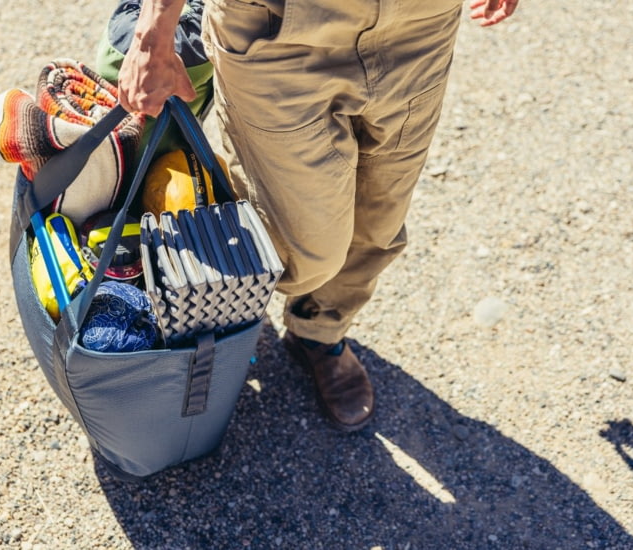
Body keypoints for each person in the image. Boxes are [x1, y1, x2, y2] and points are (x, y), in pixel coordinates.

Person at [115, 0, 520, 432]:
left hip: (422, 22)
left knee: (379, 216)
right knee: (308, 249)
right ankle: (206, 286)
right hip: (282, 26)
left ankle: (319, 331)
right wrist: (153, 32)